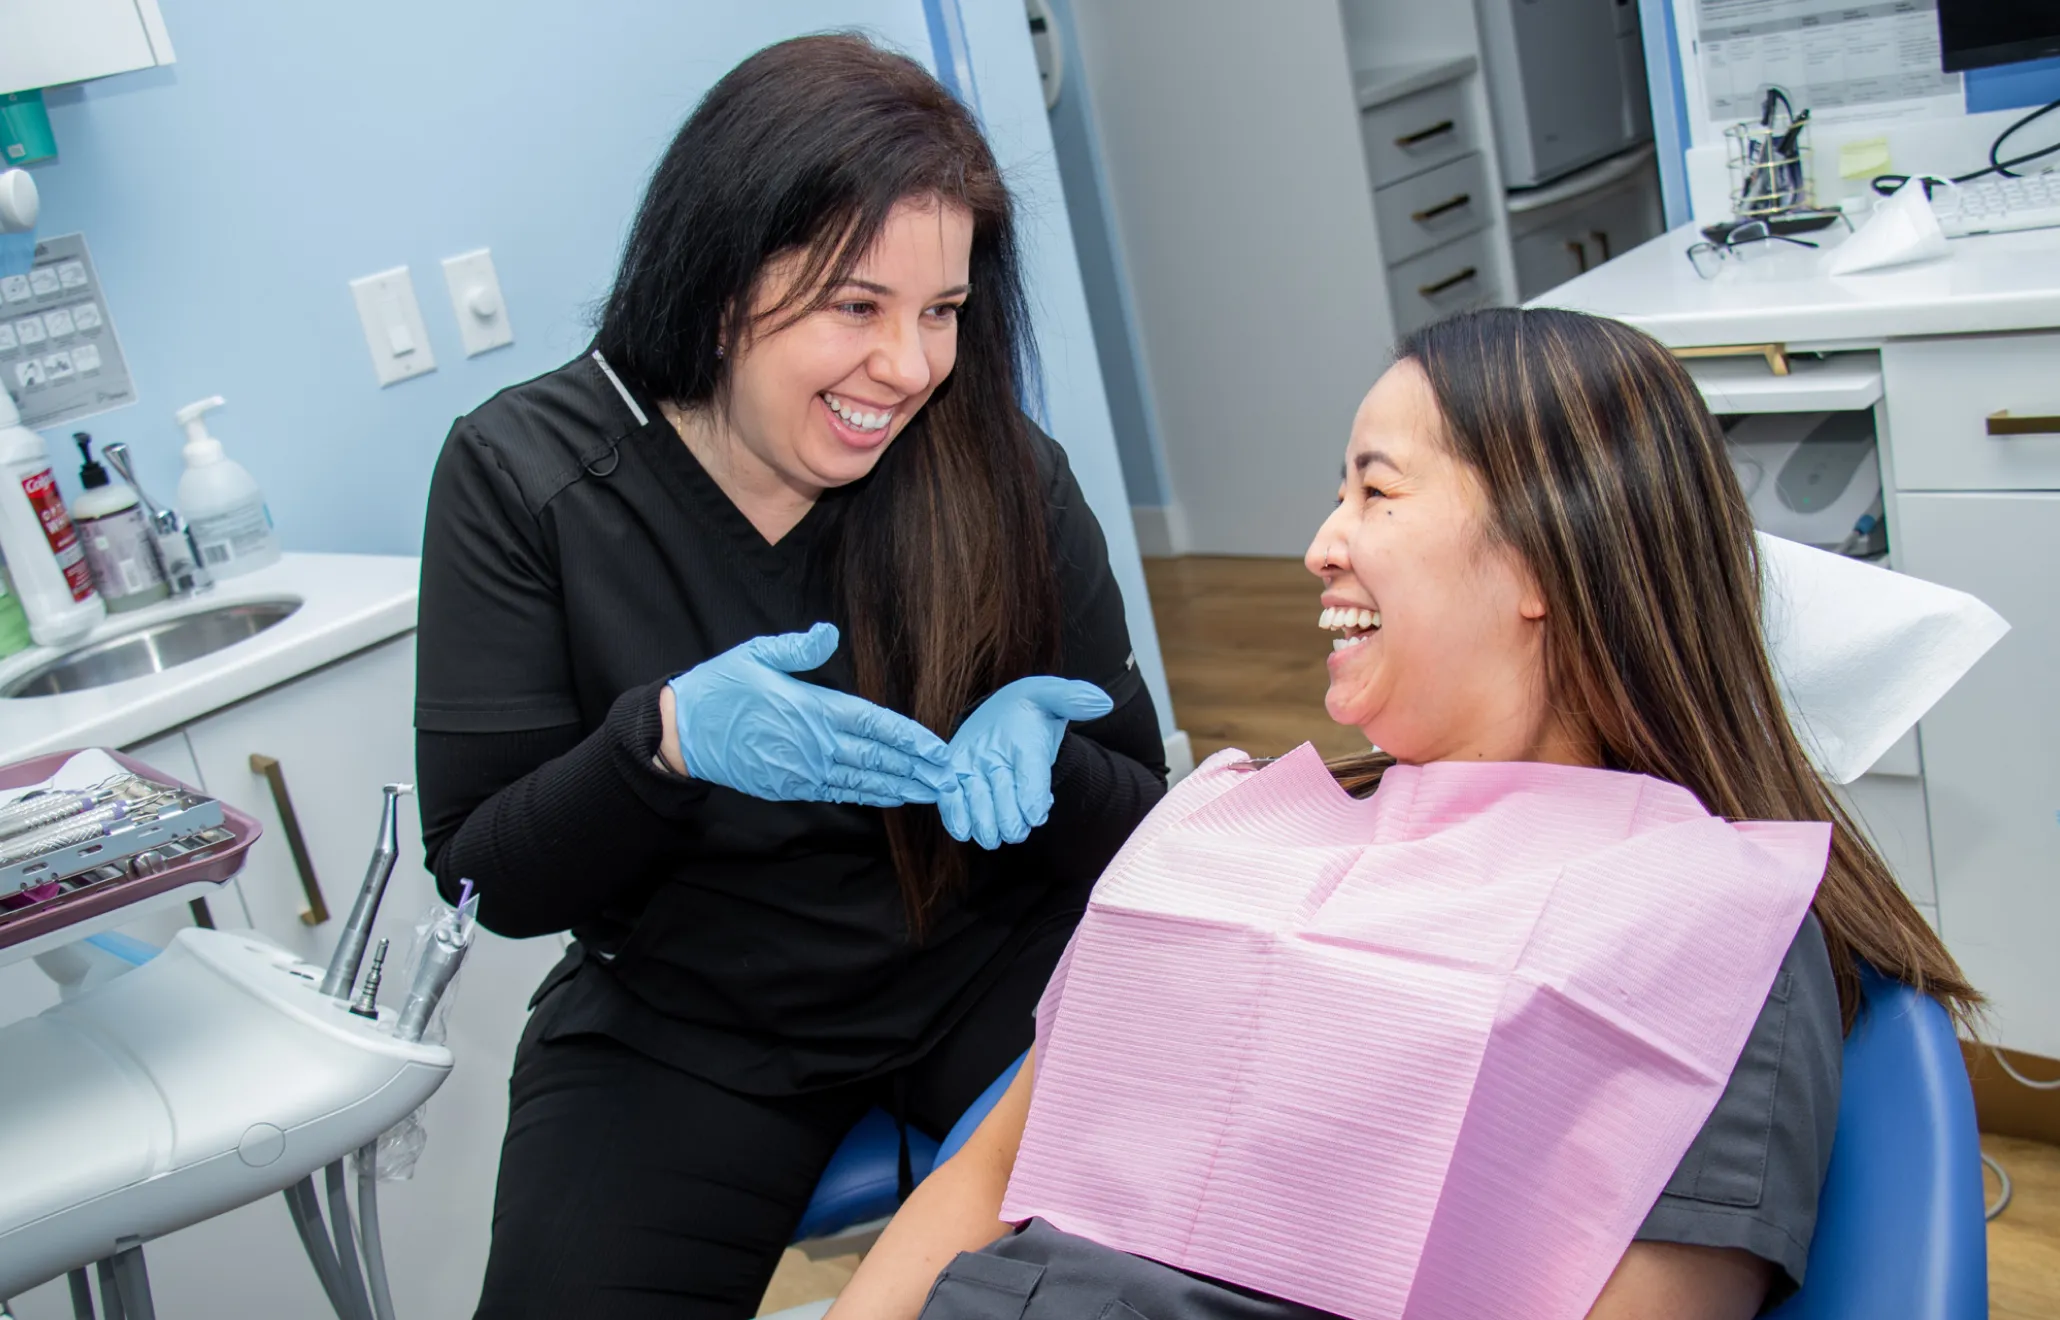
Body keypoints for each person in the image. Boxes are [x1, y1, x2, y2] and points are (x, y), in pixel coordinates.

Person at [827, 308, 1980, 1320]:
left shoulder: (1703, 926)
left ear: (1541, 559)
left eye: (1374, 493)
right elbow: (986, 1175)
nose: (1319, 545)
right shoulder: (1237, 833)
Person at [412, 34, 1166, 1319]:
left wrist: (1059, 768)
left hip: (985, 969)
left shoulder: (999, 471)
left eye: (941, 314)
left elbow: (1148, 819)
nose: (911, 369)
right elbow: (490, 876)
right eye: (855, 307)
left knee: (1159, 1273)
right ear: (716, 280)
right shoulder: (523, 481)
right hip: (691, 1024)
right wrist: (654, 746)